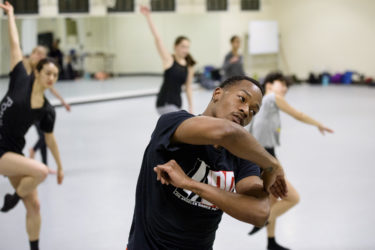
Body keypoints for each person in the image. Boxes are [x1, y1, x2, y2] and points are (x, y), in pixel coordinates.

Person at [127, 75, 288, 250]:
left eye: (253, 111)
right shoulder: (173, 123)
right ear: (217, 93)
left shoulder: (242, 157)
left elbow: (260, 213)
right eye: (242, 99)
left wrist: (191, 184)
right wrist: (273, 165)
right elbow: (227, 133)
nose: (245, 110)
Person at [0, 2, 64, 250]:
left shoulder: (47, 110)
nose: (51, 78)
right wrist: (11, 15)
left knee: (35, 205)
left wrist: (60, 167)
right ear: (37, 71)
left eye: (55, 75)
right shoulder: (20, 78)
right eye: (47, 72)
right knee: (39, 170)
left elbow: (50, 140)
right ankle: (13, 197)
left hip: (11, 152)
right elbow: (15, 45)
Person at [248, 72, 334, 250]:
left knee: (272, 200)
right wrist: (318, 124)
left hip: (263, 155)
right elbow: (298, 114)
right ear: (269, 84)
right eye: (282, 84)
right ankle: (263, 218)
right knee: (292, 197)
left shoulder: (264, 101)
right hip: (265, 159)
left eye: (287, 86)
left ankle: (271, 242)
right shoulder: (272, 97)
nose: (285, 88)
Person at [140, 5, 196, 115]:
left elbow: (188, 88)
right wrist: (148, 17)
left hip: (177, 104)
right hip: (165, 103)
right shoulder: (169, 60)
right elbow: (158, 39)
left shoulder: (189, 66)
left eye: (187, 47)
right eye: (183, 46)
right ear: (175, 47)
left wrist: (191, 108)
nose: (186, 50)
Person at [23, 47, 71, 165]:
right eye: (38, 54)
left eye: (43, 55)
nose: (41, 56)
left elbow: (52, 89)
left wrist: (63, 102)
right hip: (24, 108)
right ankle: (34, 153)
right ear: (32, 54)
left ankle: (44, 164)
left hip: (37, 109)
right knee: (43, 136)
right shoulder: (27, 68)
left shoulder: (43, 72)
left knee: (45, 136)